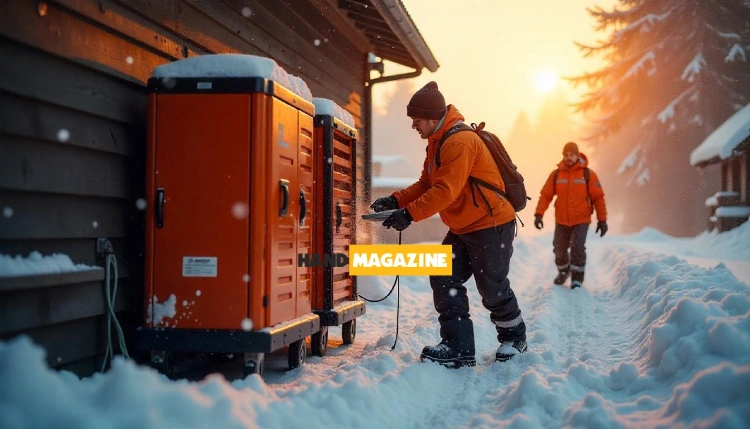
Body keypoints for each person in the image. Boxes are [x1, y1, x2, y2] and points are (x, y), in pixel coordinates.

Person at [369, 81, 527, 368]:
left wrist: (409, 215)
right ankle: (458, 347)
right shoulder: (438, 142)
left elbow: (445, 192)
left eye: (416, 120)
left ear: (431, 117)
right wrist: (395, 200)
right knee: (444, 276)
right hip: (464, 227)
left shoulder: (459, 142)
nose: (414, 126)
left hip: (491, 224)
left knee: (492, 287)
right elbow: (427, 183)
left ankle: (514, 338)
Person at [533, 142, 608, 289]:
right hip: (561, 220)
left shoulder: (588, 174)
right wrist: (539, 214)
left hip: (582, 219)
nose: (568, 158)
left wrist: (602, 220)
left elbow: (598, 197)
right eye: (566, 155)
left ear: (577, 155)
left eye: (571, 155)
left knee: (577, 248)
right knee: (559, 249)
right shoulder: (556, 174)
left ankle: (577, 279)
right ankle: (564, 271)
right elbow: (546, 195)